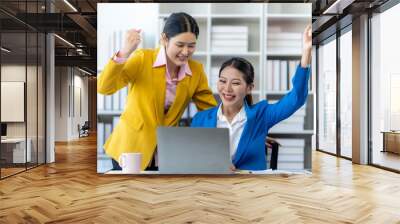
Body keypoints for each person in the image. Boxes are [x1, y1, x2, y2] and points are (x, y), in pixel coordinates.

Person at [98, 12, 217, 171]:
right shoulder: (143, 59)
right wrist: (124, 52)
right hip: (130, 150)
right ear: (164, 39)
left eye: (191, 45)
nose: (186, 51)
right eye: (180, 45)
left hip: (165, 153)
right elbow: (104, 87)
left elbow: (210, 111)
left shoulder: (197, 71)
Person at [191, 25, 312, 171]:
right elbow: (194, 158)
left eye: (235, 83)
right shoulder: (200, 119)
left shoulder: (261, 115)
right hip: (213, 186)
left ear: (249, 88)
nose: (227, 89)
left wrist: (306, 51)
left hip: (251, 187)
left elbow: (296, 99)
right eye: (222, 81)